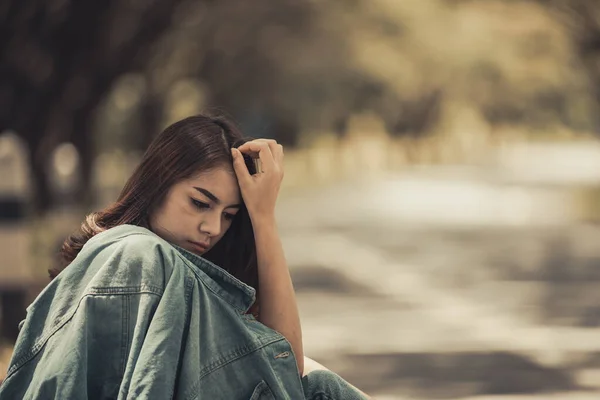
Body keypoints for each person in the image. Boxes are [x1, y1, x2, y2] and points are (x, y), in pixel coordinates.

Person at [0, 114, 371, 399]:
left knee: (318, 384)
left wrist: (262, 217)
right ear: (159, 183)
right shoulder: (139, 257)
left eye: (228, 215)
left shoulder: (181, 274)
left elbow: (281, 368)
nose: (212, 227)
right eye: (199, 203)